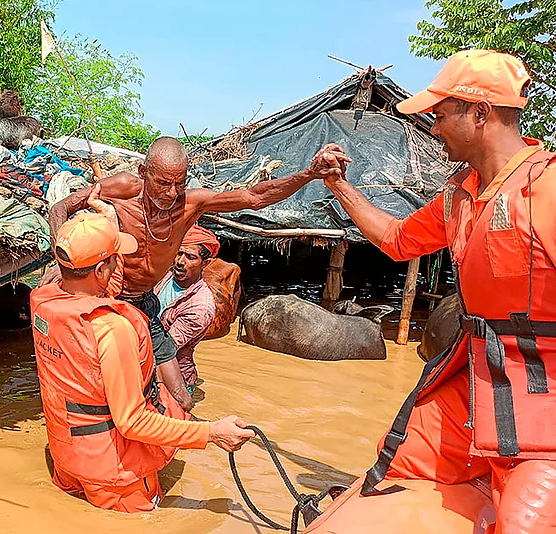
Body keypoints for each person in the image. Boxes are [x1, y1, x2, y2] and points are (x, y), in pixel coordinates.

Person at [318, 49, 556, 531]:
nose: (433, 127)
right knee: (398, 460)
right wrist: (339, 186)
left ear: (480, 113)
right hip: (476, 374)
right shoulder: (459, 195)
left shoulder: (546, 188)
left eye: (441, 114)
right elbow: (396, 239)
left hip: (545, 387)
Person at [46, 137, 348, 404]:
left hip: (144, 304)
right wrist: (66, 267)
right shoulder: (123, 188)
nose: (171, 192)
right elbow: (59, 208)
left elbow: (255, 197)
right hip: (106, 302)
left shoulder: (191, 203)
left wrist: (309, 174)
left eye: (180, 183)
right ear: (143, 174)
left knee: (181, 399)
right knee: (99, 388)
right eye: (163, 183)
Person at [29, 212, 254, 513]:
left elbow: (95, 288)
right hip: (114, 476)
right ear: (100, 270)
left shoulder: (44, 300)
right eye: (114, 259)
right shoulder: (112, 328)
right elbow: (133, 421)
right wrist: (211, 433)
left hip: (66, 457)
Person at [154, 225, 218, 395]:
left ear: (205, 263)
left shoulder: (200, 307)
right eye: (179, 253)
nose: (180, 262)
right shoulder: (164, 275)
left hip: (175, 380)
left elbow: (167, 347)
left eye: (190, 257)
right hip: (149, 363)